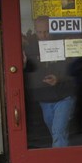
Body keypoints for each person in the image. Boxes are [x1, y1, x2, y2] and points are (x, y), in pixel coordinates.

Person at [23, 16, 76, 147]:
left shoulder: (64, 43)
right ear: (35, 31)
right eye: (40, 32)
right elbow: (28, 73)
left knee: (58, 132)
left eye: (46, 31)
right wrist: (23, 65)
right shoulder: (31, 49)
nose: (43, 35)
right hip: (44, 98)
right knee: (56, 132)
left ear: (52, 30)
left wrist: (59, 78)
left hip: (64, 96)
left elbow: (73, 70)